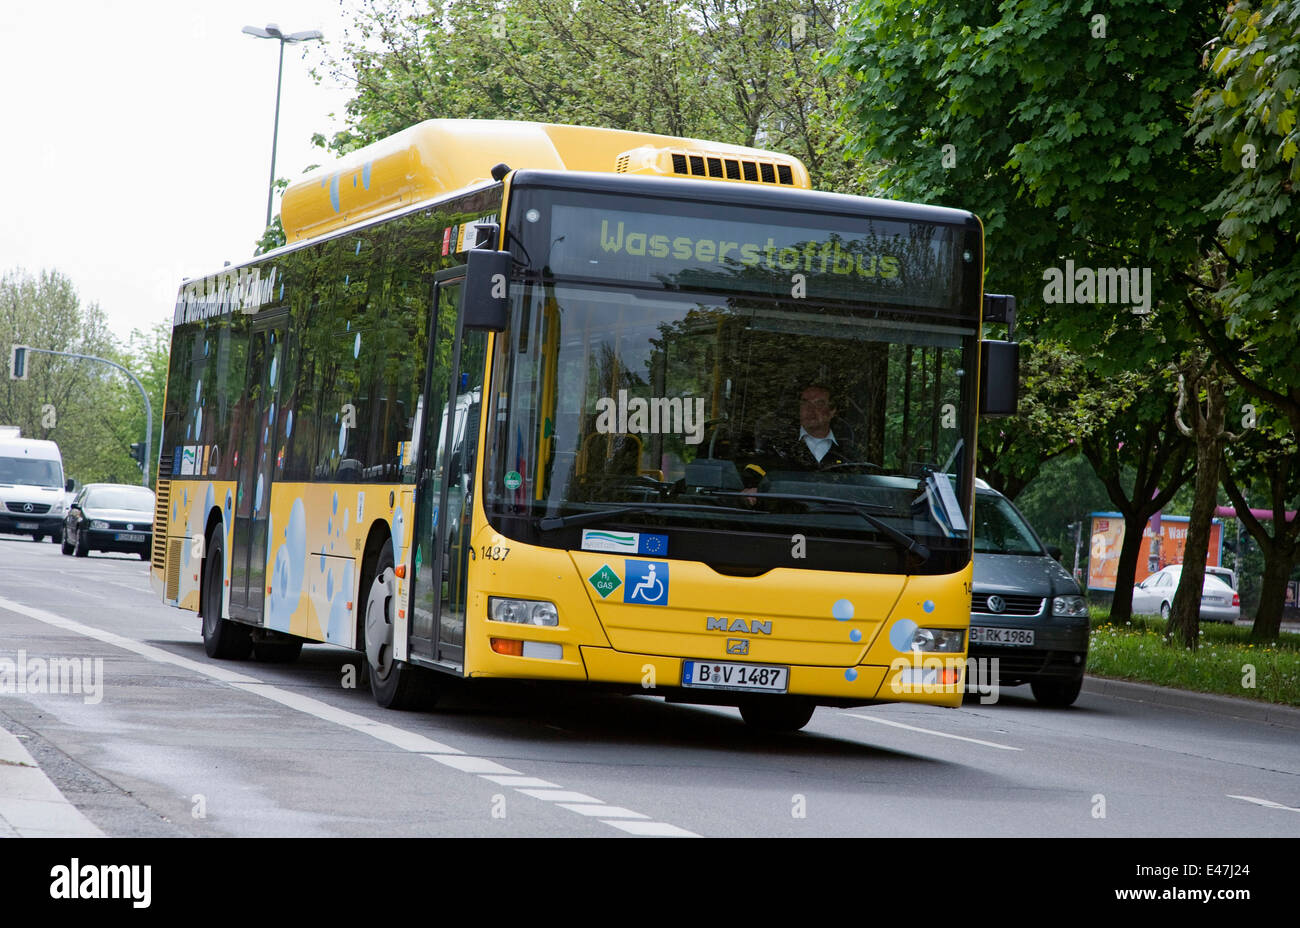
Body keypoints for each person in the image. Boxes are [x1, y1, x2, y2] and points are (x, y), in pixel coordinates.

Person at [740, 383, 863, 492]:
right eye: (805, 403)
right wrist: (752, 490)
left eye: (819, 403)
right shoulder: (778, 445)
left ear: (832, 411)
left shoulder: (848, 452)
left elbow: (862, 491)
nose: (810, 410)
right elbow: (752, 478)